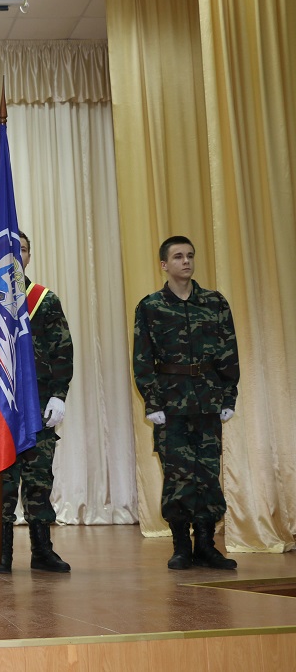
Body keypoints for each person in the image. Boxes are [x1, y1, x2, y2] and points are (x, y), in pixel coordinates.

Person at [0, 231, 73, 574]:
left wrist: (58, 394)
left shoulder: (45, 299)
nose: (16, 254)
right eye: (9, 249)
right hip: (1, 404)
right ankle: (3, 551)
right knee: (2, 479)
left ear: (28, 256)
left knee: (39, 479)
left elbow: (62, 348)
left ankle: (42, 551)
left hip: (38, 403)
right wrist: (1, 304)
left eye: (22, 249)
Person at [133, 236, 240, 571]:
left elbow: (229, 351)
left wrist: (229, 395)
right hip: (171, 403)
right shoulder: (150, 306)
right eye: (178, 257)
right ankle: (181, 545)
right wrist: (152, 402)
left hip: (208, 401)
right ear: (164, 265)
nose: (186, 262)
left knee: (207, 474)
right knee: (178, 476)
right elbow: (142, 358)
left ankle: (206, 544)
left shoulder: (214, 302)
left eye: (190, 256)